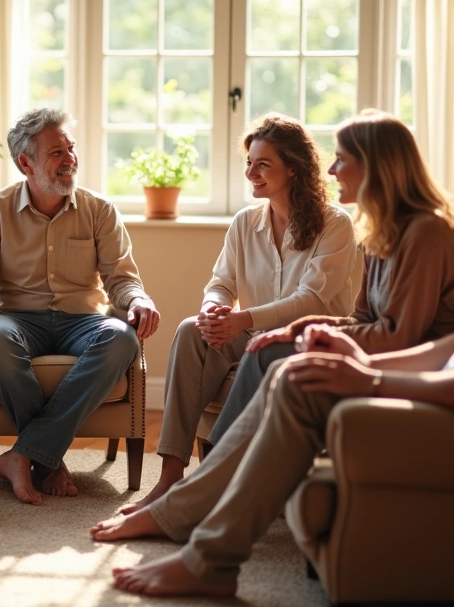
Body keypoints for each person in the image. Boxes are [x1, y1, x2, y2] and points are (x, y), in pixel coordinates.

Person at [93, 60, 454, 598]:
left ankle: (202, 545)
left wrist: (369, 379)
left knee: (298, 377)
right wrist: (353, 362)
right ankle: (194, 530)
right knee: (299, 373)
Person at [200, 109, 454, 452]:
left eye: (340, 160)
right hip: (392, 347)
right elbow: (362, 319)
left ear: (374, 168)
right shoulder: (383, 230)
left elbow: (400, 336)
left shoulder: (425, 233)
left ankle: (222, 465)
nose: (331, 170)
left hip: (431, 362)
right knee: (268, 346)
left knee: (268, 353)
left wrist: (302, 333)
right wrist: (299, 329)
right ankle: (225, 470)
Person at [129, 113, 361, 511]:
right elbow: (221, 282)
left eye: (263, 164)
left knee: (256, 346)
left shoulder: (335, 224)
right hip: (252, 332)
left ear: (293, 168)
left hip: (307, 340)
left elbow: (311, 300)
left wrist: (243, 320)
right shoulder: (245, 222)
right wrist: (214, 311)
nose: (251, 172)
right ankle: (169, 477)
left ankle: (215, 473)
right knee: (190, 331)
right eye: (248, 163)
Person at [0, 107, 161, 505]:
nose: (69, 159)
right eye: (56, 152)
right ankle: (48, 458)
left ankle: (25, 455)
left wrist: (139, 299)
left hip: (83, 320)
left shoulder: (100, 210)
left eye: (70, 148)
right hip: (16, 319)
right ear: (26, 162)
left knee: (120, 338)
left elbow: (121, 279)